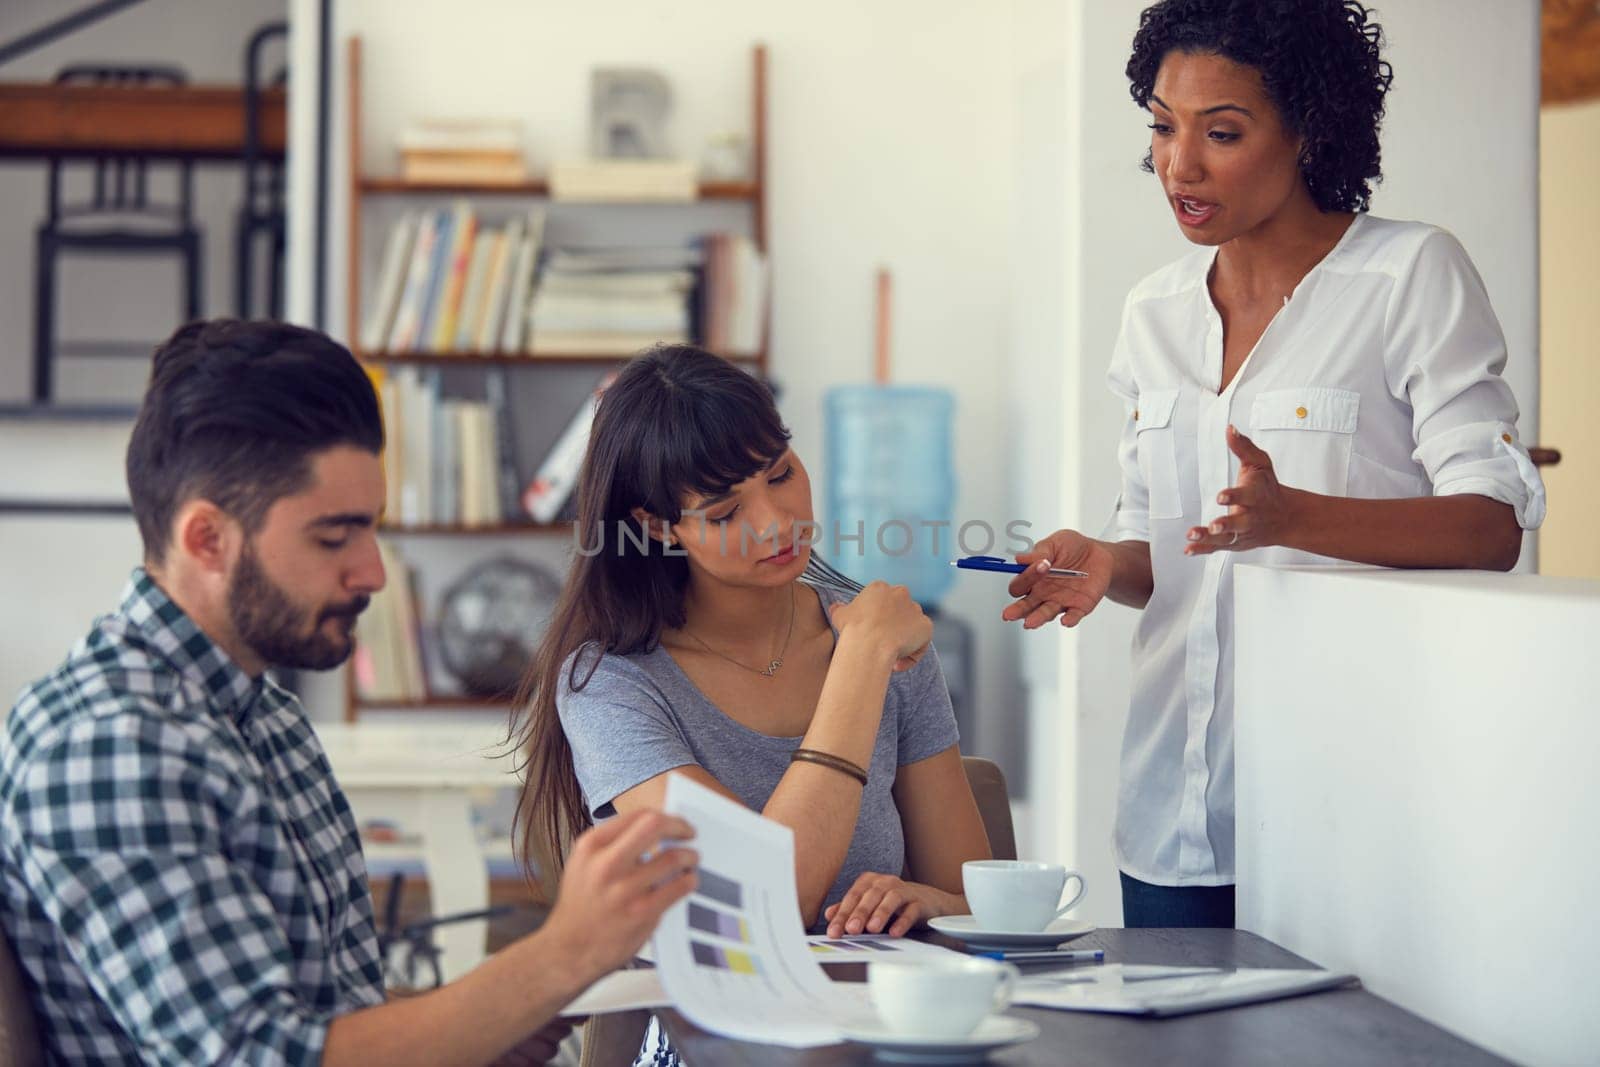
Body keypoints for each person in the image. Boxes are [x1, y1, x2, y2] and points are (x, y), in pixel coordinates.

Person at [0, 319, 698, 1066]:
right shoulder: (105, 744)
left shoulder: (262, 715)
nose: (373, 572)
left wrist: (491, 1019)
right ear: (206, 538)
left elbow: (326, 1008)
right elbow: (270, 1057)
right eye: (333, 537)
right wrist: (560, 952)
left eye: (371, 530)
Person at [1003, 0, 1546, 929]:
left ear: (1308, 130)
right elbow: (1164, 545)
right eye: (1163, 127)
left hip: (1354, 814)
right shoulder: (1152, 312)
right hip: (1170, 809)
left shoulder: (1410, 276)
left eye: (1221, 131)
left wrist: (1294, 517)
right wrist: (1107, 560)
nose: (1179, 164)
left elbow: (1491, 525)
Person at [512, 345, 993, 1064]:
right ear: (655, 524)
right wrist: (859, 664)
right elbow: (761, 907)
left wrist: (927, 900)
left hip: (888, 1032)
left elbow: (975, 899)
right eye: (727, 509)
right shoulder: (612, 682)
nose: (776, 522)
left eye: (781, 473)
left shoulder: (883, 639)